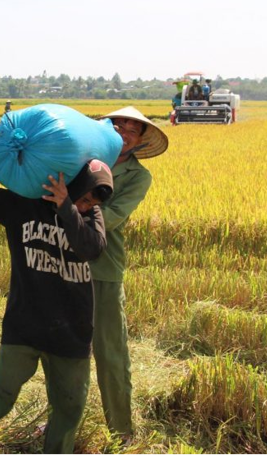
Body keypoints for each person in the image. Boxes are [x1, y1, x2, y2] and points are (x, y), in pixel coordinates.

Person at [0, 160, 113, 455]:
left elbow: (92, 248)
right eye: (84, 197)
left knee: (70, 407)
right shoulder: (24, 205)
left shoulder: (90, 218)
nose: (85, 206)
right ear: (71, 184)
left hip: (72, 328)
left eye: (90, 203)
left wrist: (69, 207)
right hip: (25, 322)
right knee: (2, 395)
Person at [91, 107, 169, 440]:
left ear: (139, 142)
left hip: (102, 268)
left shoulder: (138, 176)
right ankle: (62, 420)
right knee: (63, 352)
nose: (123, 131)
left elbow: (110, 218)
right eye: (117, 124)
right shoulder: (84, 161)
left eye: (132, 130)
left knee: (110, 353)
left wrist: (67, 207)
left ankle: (120, 431)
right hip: (62, 263)